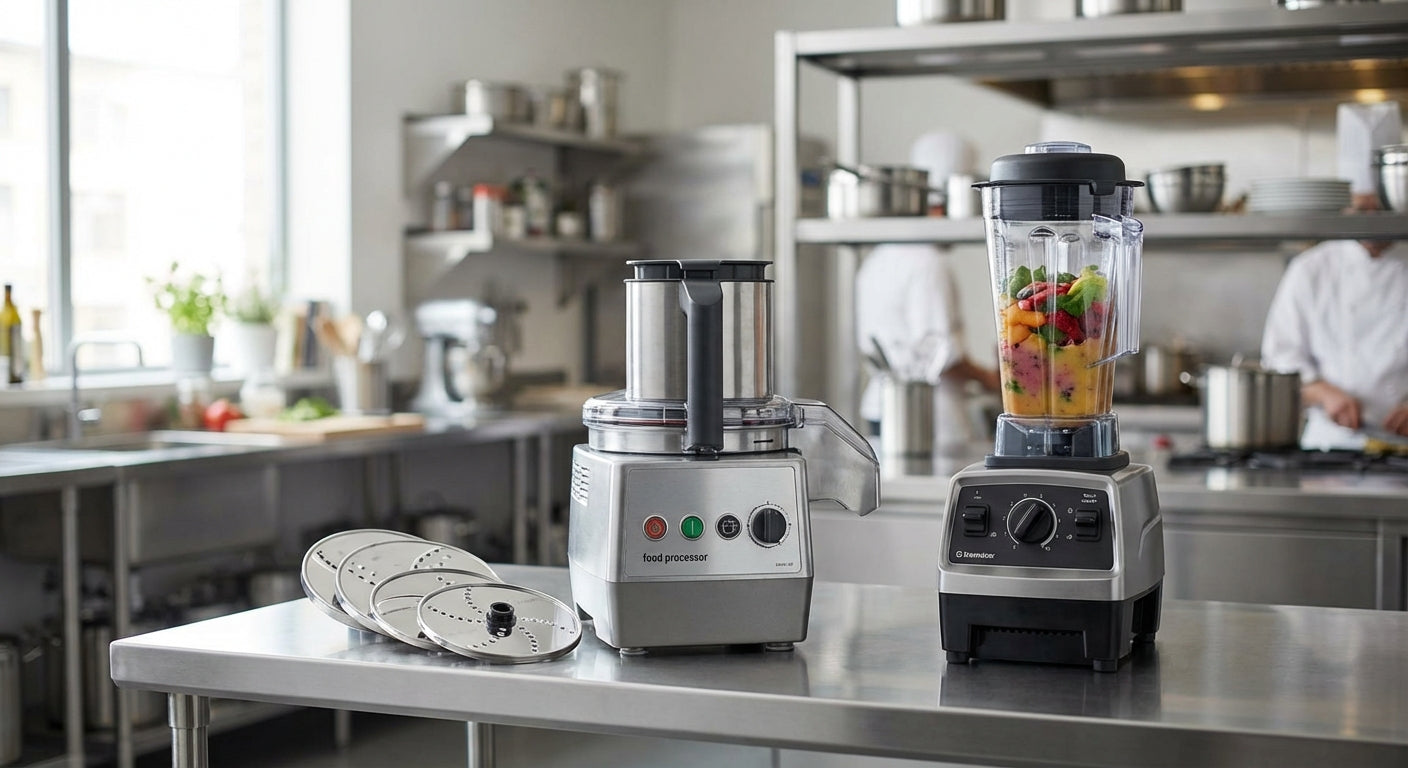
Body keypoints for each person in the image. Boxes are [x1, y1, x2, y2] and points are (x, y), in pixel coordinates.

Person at [856, 132, 998, 446]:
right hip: (926, 415)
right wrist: (992, 380)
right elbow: (941, 356)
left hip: (880, 406)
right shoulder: (928, 263)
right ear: (945, 205)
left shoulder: (878, 257)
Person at [1260, 199, 1408, 449]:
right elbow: (1279, 360)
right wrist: (1322, 392)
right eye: (1362, 211)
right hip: (1329, 445)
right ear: (1346, 209)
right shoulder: (1311, 268)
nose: (1373, 220)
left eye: (1383, 210)